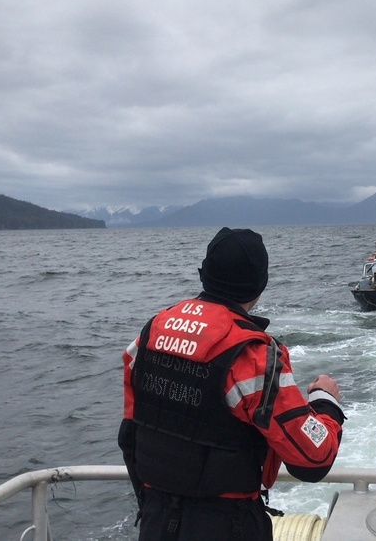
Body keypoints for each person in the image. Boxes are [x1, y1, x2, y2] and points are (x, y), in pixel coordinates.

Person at [118, 227, 346, 540]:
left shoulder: (148, 335)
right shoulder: (252, 356)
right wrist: (326, 402)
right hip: (228, 527)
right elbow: (312, 458)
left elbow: (130, 433)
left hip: (156, 521)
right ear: (260, 286)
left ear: (204, 275)